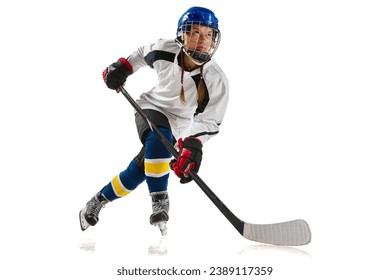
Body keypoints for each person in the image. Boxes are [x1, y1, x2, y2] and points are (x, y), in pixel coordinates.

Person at [79, 6, 229, 235]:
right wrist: (123, 68)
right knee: (159, 138)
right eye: (195, 32)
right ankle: (160, 200)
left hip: (179, 127)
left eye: (208, 34)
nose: (202, 40)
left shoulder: (215, 79)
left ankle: (97, 200)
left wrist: (192, 144)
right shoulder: (164, 49)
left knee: (140, 170)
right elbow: (140, 55)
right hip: (150, 107)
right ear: (182, 34)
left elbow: (210, 120)